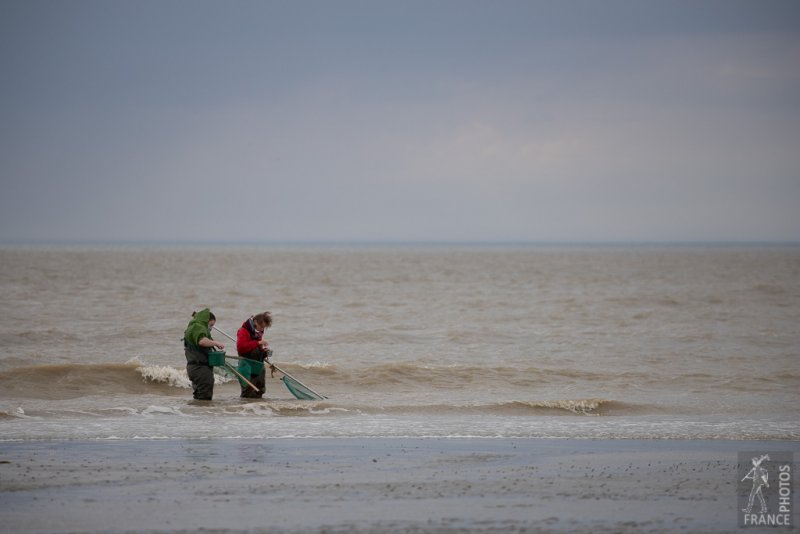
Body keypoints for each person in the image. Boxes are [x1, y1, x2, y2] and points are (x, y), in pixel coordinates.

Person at [183, 308, 224, 401]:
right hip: (199, 368)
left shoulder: (194, 327)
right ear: (207, 321)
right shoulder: (198, 327)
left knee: (199, 396)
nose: (211, 328)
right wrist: (216, 343)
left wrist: (212, 343)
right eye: (211, 325)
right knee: (205, 397)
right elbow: (202, 341)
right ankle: (204, 414)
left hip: (194, 367)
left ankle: (198, 413)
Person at [236, 312, 273, 398]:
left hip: (258, 366)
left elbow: (256, 347)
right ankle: (245, 410)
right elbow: (241, 347)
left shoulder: (257, 332)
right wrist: (258, 342)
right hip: (246, 366)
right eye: (261, 326)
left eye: (264, 328)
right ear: (255, 322)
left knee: (260, 391)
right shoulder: (243, 331)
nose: (262, 329)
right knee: (248, 392)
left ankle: (257, 410)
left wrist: (264, 351)